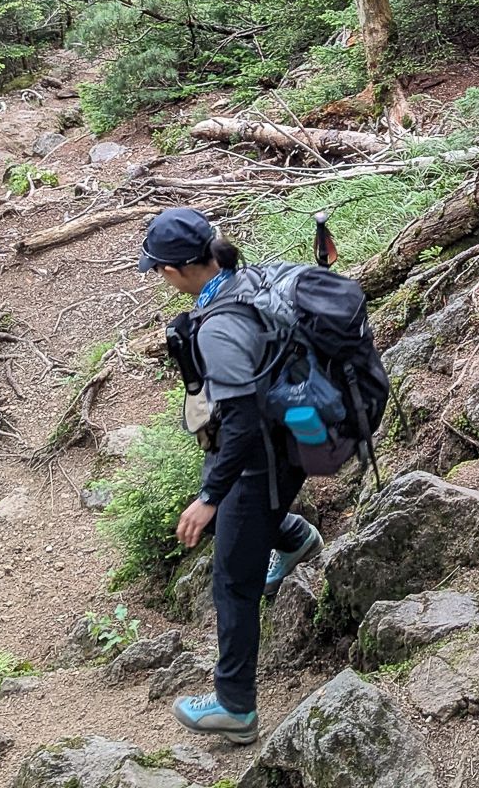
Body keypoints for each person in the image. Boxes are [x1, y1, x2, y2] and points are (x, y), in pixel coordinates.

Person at [137, 207, 323, 742]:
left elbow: (240, 423)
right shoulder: (247, 278)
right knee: (243, 530)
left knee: (233, 583)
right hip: (295, 435)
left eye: (156, 269)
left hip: (262, 458)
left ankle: (235, 707)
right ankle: (294, 539)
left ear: (173, 271)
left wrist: (209, 496)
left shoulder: (218, 326)